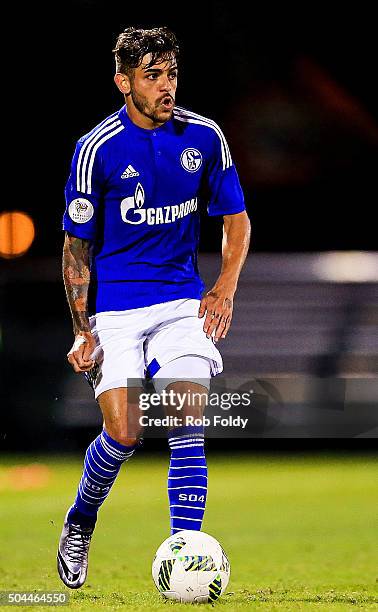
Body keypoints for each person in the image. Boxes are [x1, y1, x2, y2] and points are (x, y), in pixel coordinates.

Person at [58, 26, 250, 589]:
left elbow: (235, 219)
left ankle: (186, 551)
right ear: (123, 81)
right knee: (124, 432)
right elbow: (76, 247)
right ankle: (80, 521)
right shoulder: (96, 149)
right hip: (117, 311)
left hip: (180, 304)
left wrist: (224, 289)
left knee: (188, 420)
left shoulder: (204, 136)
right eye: (153, 76)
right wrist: (81, 330)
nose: (166, 87)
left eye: (171, 75)